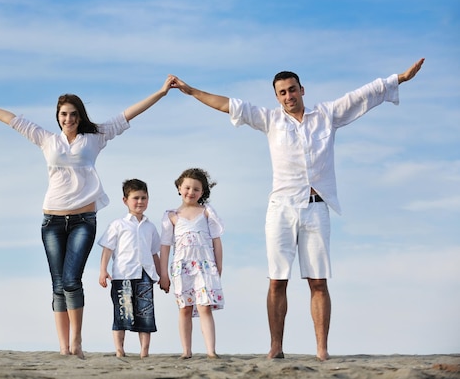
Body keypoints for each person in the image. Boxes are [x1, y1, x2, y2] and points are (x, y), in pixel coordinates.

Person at [169, 58, 425, 361]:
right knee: (277, 279)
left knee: (318, 281)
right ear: (276, 97)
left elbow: (362, 95)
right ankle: (276, 347)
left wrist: (400, 78)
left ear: (302, 90)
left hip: (316, 208)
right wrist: (191, 91)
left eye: (292, 90)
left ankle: (321, 350)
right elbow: (228, 104)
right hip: (281, 208)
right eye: (282, 93)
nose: (288, 96)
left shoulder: (325, 115)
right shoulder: (269, 120)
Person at [0, 76, 174, 359]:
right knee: (58, 284)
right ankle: (63, 347)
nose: (69, 119)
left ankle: (77, 342)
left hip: (83, 220)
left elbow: (128, 113)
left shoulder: (95, 137)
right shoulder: (47, 139)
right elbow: (11, 120)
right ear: (58, 117)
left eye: (74, 114)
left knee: (72, 280)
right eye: (64, 114)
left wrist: (160, 93)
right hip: (51, 220)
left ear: (80, 115)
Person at [160, 168, 225, 360]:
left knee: (205, 306)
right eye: (187, 187)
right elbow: (165, 247)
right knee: (185, 308)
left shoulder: (207, 212)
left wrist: (218, 266)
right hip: (182, 268)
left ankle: (211, 351)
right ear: (179, 188)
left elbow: (216, 242)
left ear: (203, 192)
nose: (191, 192)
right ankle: (186, 350)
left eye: (196, 189)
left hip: (205, 266)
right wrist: (164, 273)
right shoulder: (171, 215)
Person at [98, 179, 161, 359]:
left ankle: (144, 352)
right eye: (136, 198)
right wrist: (103, 270)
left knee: (146, 313)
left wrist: (162, 275)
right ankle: (120, 350)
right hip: (122, 275)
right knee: (122, 313)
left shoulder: (150, 227)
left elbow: (154, 253)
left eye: (144, 198)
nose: (140, 202)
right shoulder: (118, 224)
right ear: (125, 200)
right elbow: (107, 249)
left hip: (145, 275)